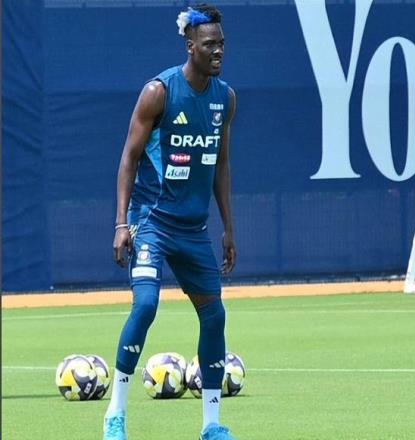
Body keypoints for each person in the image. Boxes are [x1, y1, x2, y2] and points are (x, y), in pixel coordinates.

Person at [103, 4, 237, 440]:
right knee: (145, 306)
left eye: (222, 43)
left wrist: (228, 228)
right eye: (210, 44)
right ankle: (115, 414)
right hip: (152, 223)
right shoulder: (159, 92)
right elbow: (128, 158)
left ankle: (212, 425)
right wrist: (120, 224)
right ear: (190, 46)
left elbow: (221, 165)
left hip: (194, 231)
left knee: (214, 317)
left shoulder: (225, 99)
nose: (218, 51)